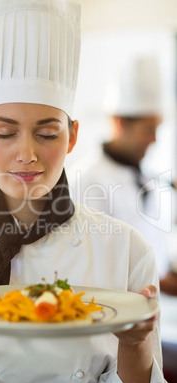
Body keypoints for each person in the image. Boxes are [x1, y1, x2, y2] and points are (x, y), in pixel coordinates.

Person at [0, 0, 174, 383]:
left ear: (73, 135)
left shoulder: (126, 249)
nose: (27, 153)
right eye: (5, 133)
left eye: (48, 134)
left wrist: (134, 344)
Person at [68, 56, 177, 296]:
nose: (154, 140)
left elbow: (154, 256)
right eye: (148, 130)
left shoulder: (144, 177)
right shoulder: (88, 180)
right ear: (119, 124)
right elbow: (96, 267)